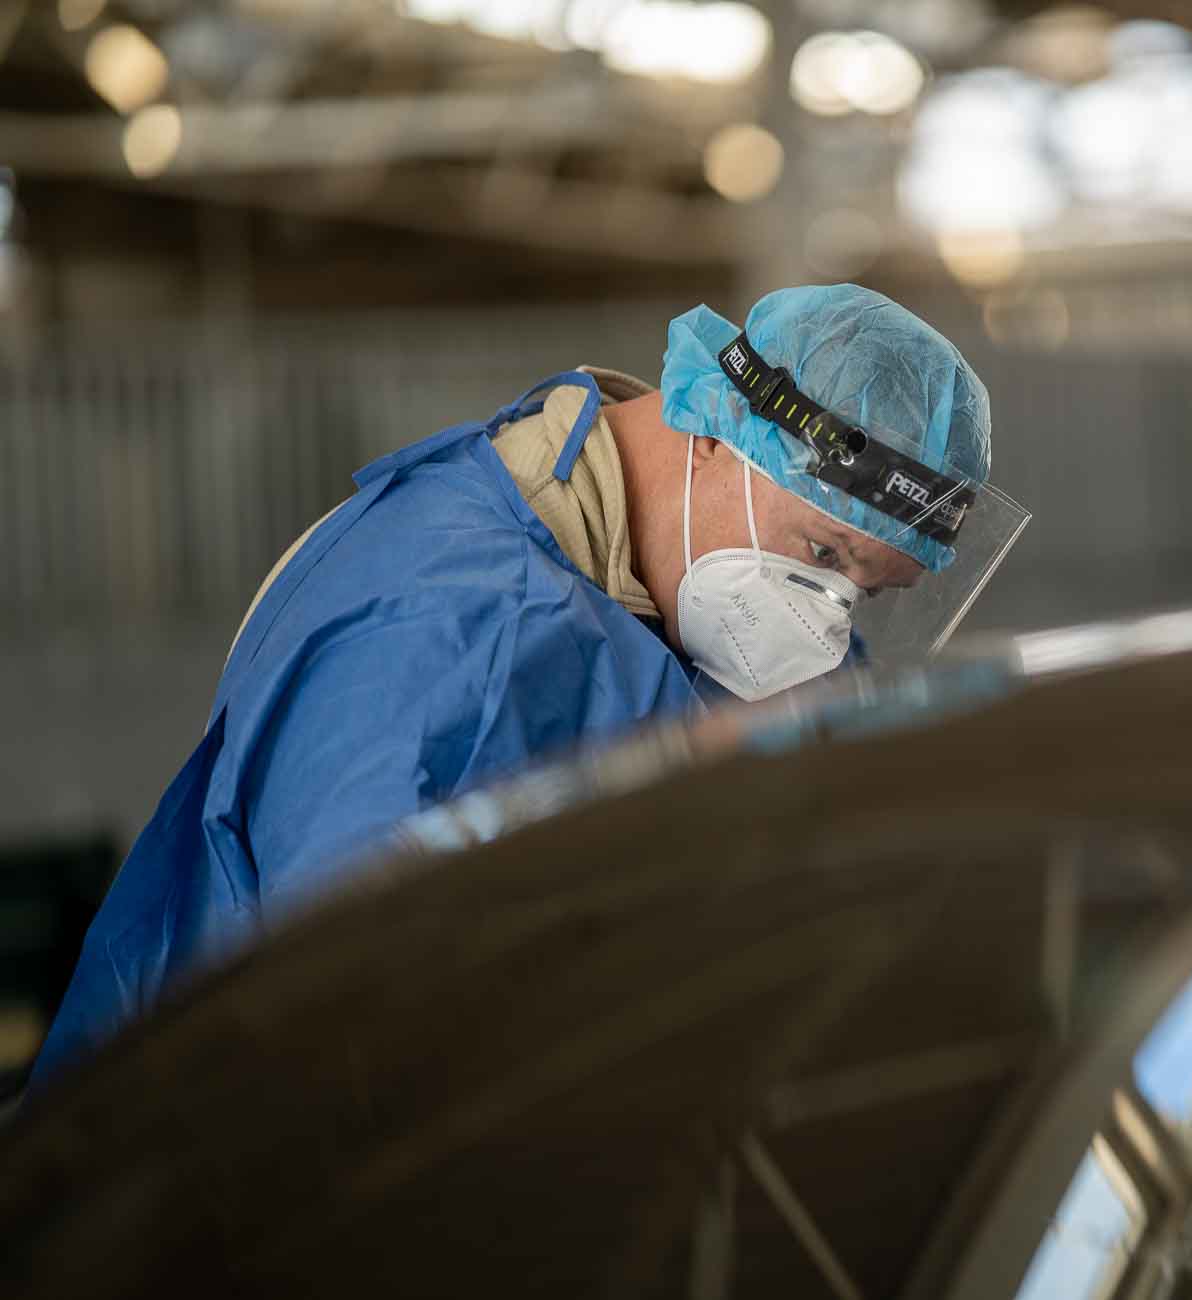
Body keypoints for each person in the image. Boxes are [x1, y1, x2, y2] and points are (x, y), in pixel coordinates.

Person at [28, 283, 1025, 1089]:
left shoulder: (681, 597)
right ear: (719, 432)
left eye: (867, 591)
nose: (826, 617)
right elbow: (354, 1044)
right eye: (821, 553)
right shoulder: (440, 630)